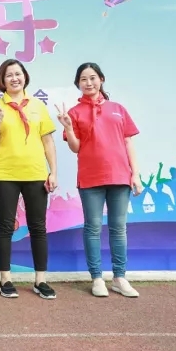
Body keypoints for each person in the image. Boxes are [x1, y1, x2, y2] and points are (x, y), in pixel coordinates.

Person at [55, 62, 142, 298]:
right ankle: (96, 278)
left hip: (119, 176)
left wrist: (135, 174)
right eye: (83, 79)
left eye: (92, 77)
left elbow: (128, 142)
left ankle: (120, 277)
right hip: (90, 177)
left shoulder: (118, 109)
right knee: (93, 228)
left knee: (118, 228)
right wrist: (68, 128)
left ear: (101, 79)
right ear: (78, 84)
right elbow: (75, 147)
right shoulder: (74, 113)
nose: (89, 83)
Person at [0, 59, 58, 300]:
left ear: (24, 76)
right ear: (2, 80)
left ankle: (40, 280)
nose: (14, 78)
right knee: (5, 227)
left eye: (18, 73)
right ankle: (5, 279)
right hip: (6, 175)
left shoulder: (37, 106)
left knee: (38, 227)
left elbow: (48, 141)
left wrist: (53, 171)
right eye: (9, 75)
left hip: (36, 174)